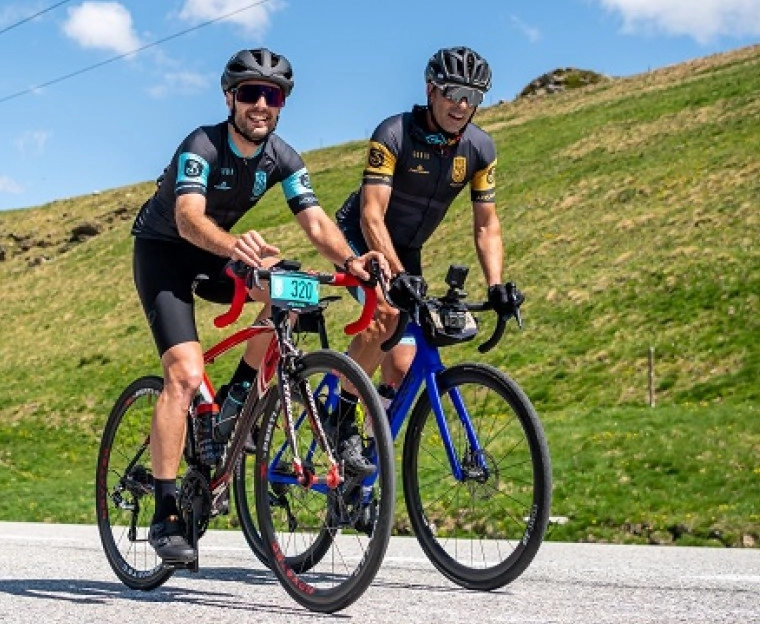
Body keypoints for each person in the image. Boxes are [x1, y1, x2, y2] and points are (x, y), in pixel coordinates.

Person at [130, 48, 383, 565]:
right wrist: (235, 247)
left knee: (292, 289)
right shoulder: (201, 145)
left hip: (221, 254)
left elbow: (315, 222)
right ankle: (167, 510)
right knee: (182, 374)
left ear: (283, 104)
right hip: (166, 254)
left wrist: (354, 263)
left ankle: (234, 403)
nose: (261, 105)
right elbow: (187, 218)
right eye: (250, 93)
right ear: (230, 98)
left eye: (273, 95)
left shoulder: (283, 158)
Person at [338, 46, 522, 387]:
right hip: (362, 236)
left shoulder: (480, 149)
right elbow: (371, 216)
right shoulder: (394, 133)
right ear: (430, 89)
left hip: (407, 250)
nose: (462, 105)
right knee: (387, 313)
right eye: (453, 92)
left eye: (472, 95)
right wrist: (394, 275)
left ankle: (376, 438)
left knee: (402, 368)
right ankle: (341, 414)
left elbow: (486, 223)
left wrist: (495, 284)